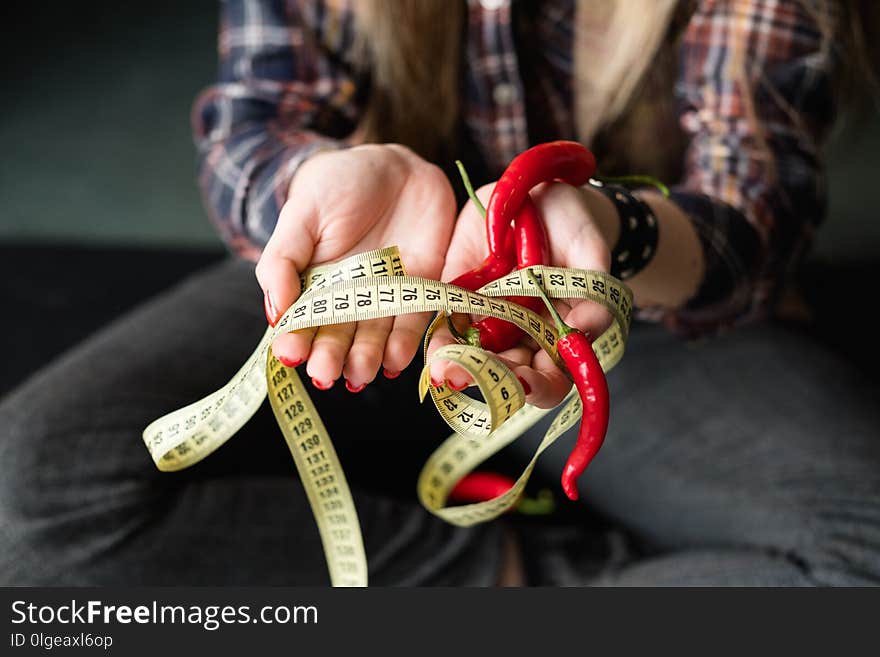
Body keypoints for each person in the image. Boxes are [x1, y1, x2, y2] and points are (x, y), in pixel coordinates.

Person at [1, 0, 879, 586]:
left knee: (864, 553)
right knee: (25, 500)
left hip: (623, 306)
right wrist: (316, 184)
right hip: (361, 282)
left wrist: (614, 231)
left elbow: (755, 206)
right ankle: (513, 574)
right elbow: (252, 122)